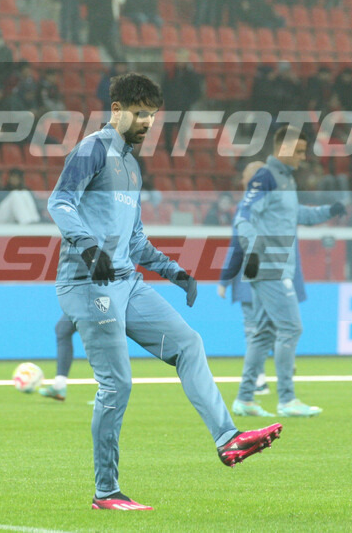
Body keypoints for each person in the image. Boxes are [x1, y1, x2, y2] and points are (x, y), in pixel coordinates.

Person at [47, 72, 282, 510]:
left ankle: (228, 438)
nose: (147, 124)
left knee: (189, 343)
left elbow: (134, 240)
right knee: (116, 385)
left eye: (152, 117)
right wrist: (87, 244)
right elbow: (59, 201)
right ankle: (106, 491)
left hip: (126, 283)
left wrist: (175, 272)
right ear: (116, 110)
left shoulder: (132, 167)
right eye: (140, 115)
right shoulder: (92, 150)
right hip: (86, 283)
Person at [229, 126, 346, 418]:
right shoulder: (266, 177)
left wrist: (329, 211)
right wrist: (253, 249)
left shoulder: (286, 180)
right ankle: (287, 399)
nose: (304, 157)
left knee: (263, 333)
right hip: (269, 266)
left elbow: (298, 215)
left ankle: (245, 398)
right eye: (299, 151)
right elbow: (243, 216)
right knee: (291, 328)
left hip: (278, 266)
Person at [218, 161, 271, 397]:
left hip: (250, 276)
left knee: (252, 330)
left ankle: (256, 379)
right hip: (272, 275)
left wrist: (224, 279)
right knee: (267, 328)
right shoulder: (277, 207)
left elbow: (237, 246)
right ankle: (264, 374)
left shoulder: (245, 208)